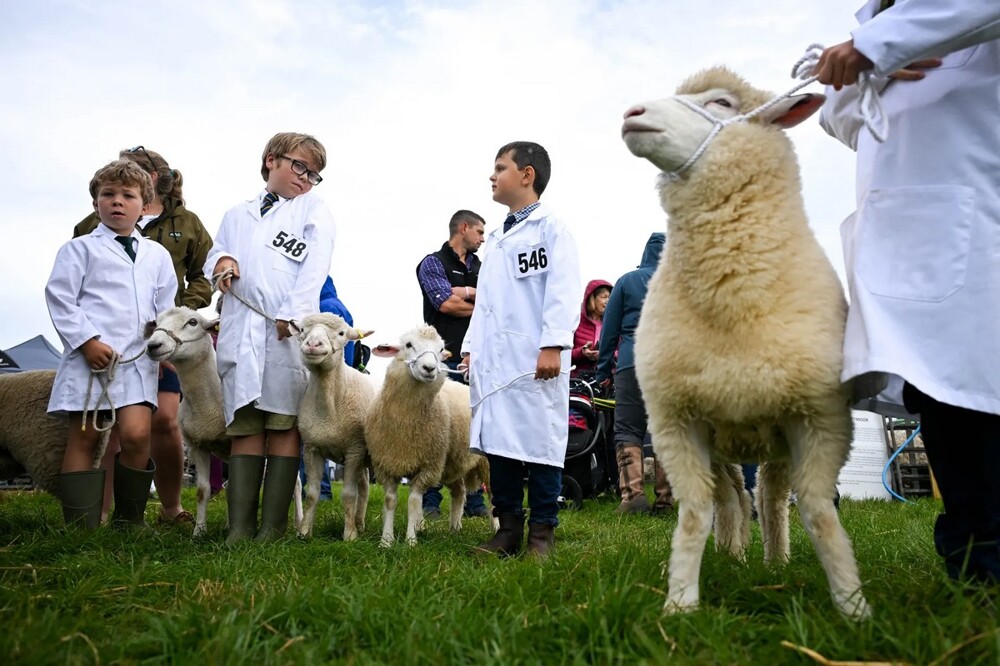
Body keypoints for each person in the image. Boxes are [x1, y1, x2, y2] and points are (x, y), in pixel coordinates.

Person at [815, 1, 1000, 582]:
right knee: (936, 396)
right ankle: (972, 560)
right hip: (904, 239)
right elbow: (839, 117)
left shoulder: (934, 20)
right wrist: (874, 65)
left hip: (972, 225)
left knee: (979, 390)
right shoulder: (879, 26)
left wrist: (881, 45)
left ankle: (987, 553)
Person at [206, 132, 335, 545]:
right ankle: (240, 528)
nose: (306, 178)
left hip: (284, 332)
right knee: (244, 426)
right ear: (270, 161)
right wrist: (221, 261)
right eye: (299, 166)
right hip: (241, 327)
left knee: (282, 424)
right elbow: (217, 252)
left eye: (314, 174)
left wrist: (293, 314)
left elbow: (315, 266)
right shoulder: (236, 214)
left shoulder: (312, 210)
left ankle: (272, 528)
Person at [74, 145, 213, 525]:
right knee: (111, 429)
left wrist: (183, 311)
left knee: (165, 419)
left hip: (168, 337)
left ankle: (170, 508)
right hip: (107, 340)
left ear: (153, 178)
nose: (119, 195)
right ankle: (99, 512)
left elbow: (203, 272)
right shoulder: (93, 222)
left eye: (134, 174)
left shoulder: (187, 221)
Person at [465, 141, 582, 559]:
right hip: (497, 362)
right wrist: (470, 347)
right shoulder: (496, 239)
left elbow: (563, 291)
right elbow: (487, 302)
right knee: (500, 444)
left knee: (541, 442)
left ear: (527, 175)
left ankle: (542, 533)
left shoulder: (552, 230)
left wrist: (553, 344)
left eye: (501, 168)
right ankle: (508, 528)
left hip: (537, 360)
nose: (492, 176)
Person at [46, 159, 177, 528]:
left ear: (145, 205)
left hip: (137, 361)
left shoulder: (157, 256)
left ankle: (129, 522)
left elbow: (165, 307)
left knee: (136, 435)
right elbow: (60, 297)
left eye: (127, 195)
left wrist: (164, 344)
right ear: (95, 204)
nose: (117, 201)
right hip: (91, 360)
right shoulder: (78, 249)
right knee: (86, 439)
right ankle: (81, 525)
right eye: (108, 194)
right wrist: (87, 342)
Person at [416, 209, 490, 519]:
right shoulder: (433, 262)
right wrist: (482, 304)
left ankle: (473, 501)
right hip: (442, 361)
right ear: (463, 228)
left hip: (477, 360)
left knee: (473, 428)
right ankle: (429, 501)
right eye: (479, 232)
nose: (483, 239)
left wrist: (469, 292)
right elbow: (444, 303)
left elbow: (495, 303)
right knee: (436, 428)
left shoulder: (481, 267)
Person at [595, 233, 673, 515]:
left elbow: (609, 330)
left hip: (632, 363)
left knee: (627, 429)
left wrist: (603, 369)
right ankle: (666, 500)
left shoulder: (627, 281)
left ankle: (633, 498)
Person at [299, 275, 354, 501]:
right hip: (342, 376)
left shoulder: (323, 310)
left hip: (323, 375)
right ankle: (322, 490)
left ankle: (319, 490)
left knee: (314, 437)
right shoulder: (339, 306)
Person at [571, 280, 612, 378]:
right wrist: (582, 352)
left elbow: (620, 351)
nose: (608, 301)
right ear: (592, 299)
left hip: (606, 382)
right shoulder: (576, 321)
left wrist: (606, 355)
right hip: (579, 382)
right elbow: (562, 356)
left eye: (610, 297)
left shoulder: (612, 323)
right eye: (604, 297)